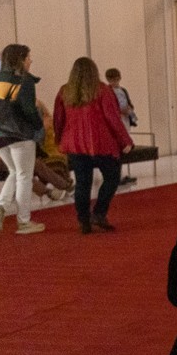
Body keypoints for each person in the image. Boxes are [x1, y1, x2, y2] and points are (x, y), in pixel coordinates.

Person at [54, 57, 134, 234]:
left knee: (83, 183)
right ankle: (99, 212)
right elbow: (112, 118)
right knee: (112, 177)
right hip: (100, 143)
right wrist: (125, 140)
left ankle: (83, 220)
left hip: (75, 144)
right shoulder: (102, 91)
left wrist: (59, 140)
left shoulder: (65, 91)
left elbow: (58, 120)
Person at [0, 44, 46, 234]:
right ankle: (24, 222)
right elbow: (28, 109)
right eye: (28, 57)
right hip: (19, 133)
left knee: (14, 171)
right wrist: (39, 126)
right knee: (24, 176)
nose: (31, 61)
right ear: (20, 59)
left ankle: (0, 207)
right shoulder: (24, 80)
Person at [105, 68, 139, 185]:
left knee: (125, 148)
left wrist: (129, 109)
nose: (115, 82)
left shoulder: (122, 90)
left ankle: (120, 173)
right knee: (119, 148)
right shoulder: (107, 92)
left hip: (125, 120)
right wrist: (120, 111)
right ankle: (116, 175)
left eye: (116, 79)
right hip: (117, 121)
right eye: (112, 80)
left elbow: (129, 102)